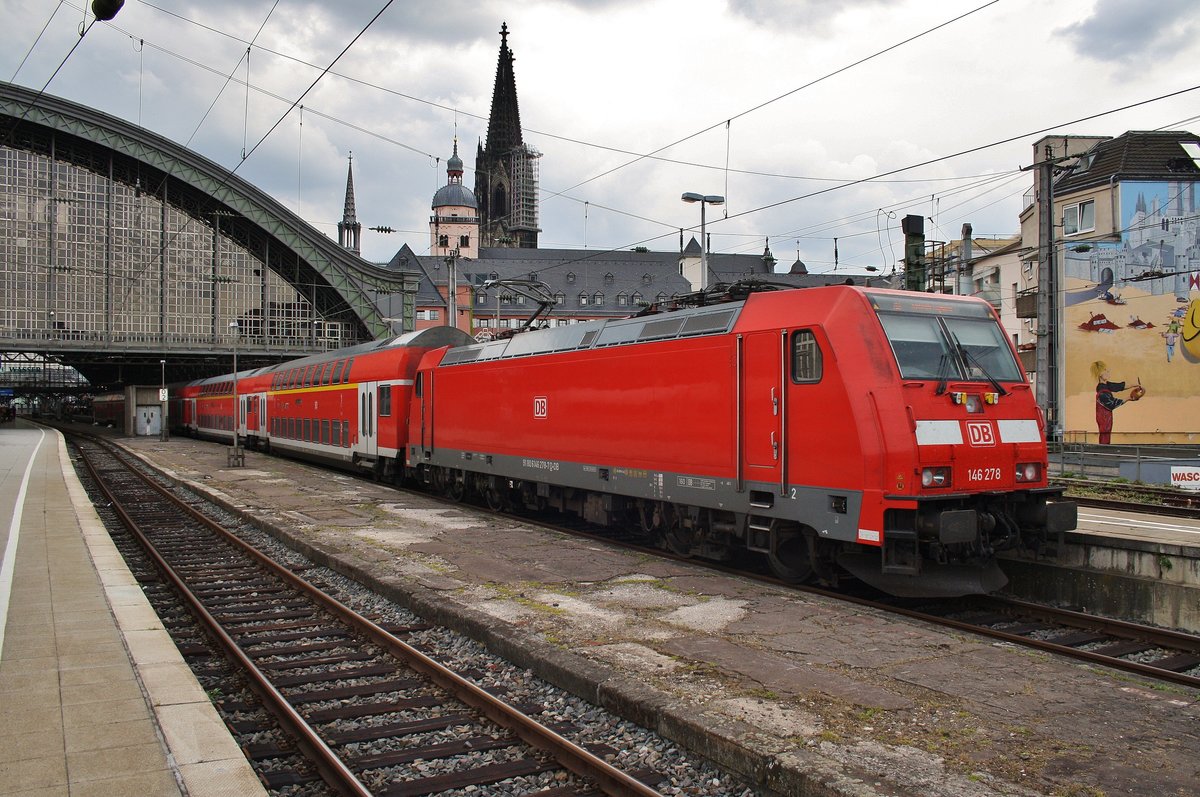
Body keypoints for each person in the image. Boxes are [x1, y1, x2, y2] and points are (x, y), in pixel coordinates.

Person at [1090, 361, 1141, 444]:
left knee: (1106, 434)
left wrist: (1134, 385)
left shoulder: (1106, 385)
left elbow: (1119, 386)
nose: (1108, 372)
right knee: (1105, 435)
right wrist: (1128, 398)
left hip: (1106, 416)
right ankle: (1104, 451)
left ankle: (1104, 450)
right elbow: (1112, 404)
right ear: (1100, 374)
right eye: (1105, 370)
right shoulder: (1102, 391)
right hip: (1103, 417)